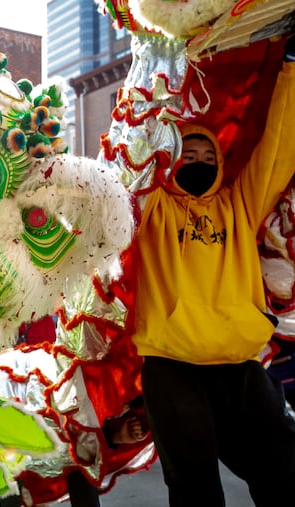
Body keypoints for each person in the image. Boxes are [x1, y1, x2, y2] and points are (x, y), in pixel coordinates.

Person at [133, 39, 295, 506]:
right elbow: (136, 153)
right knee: (195, 487)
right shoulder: (153, 208)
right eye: (190, 156)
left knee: (284, 468)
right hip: (172, 367)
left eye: (209, 158)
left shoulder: (239, 206)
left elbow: (279, 147)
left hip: (240, 366)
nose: (200, 163)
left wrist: (290, 71)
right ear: (172, 159)